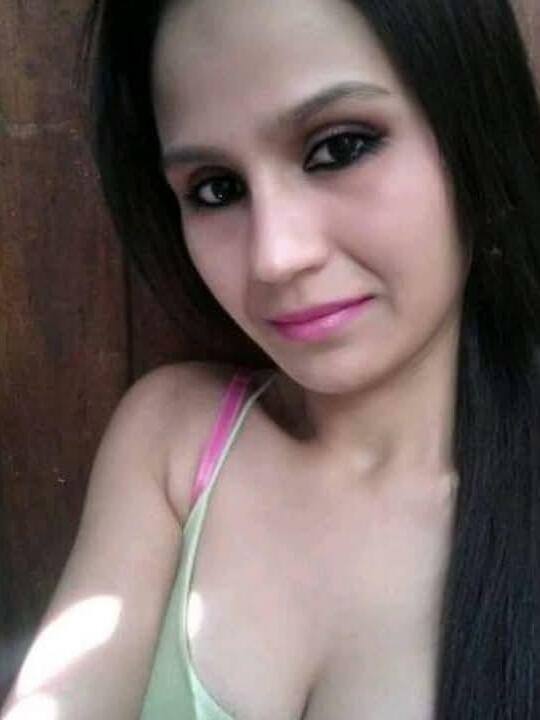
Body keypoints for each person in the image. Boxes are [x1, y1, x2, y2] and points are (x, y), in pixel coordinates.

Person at [3, 0, 540, 718]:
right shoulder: (173, 441)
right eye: (216, 189)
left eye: (340, 147)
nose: (275, 257)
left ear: (474, 124)